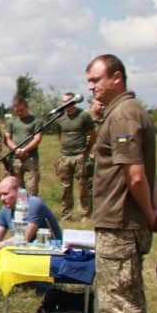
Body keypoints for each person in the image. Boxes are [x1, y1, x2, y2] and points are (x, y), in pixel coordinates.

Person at [84, 54, 157, 313]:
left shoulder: (125, 114)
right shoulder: (119, 113)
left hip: (120, 221)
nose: (91, 87)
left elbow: (134, 174)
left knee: (119, 300)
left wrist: (150, 215)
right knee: (126, 295)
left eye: (96, 80)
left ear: (117, 77)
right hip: (118, 219)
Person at [0, 176, 62, 259]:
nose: (2, 198)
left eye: (5, 194)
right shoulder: (5, 210)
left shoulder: (34, 204)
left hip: (48, 251)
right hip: (24, 251)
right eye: (0, 195)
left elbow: (24, 238)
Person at [55, 92, 96, 220]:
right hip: (65, 156)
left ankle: (85, 214)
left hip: (80, 155)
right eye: (64, 102)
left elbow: (92, 134)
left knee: (83, 185)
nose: (66, 104)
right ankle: (66, 214)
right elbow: (60, 135)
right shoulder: (60, 117)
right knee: (66, 187)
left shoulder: (83, 116)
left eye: (68, 101)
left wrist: (87, 150)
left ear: (74, 102)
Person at [3, 95, 42, 197]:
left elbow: (37, 138)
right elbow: (7, 138)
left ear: (26, 107)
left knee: (32, 188)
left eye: (21, 110)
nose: (19, 113)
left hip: (30, 158)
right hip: (15, 159)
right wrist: (16, 149)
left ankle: (32, 210)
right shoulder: (11, 121)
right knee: (17, 188)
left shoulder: (36, 121)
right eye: (17, 111)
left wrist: (25, 149)